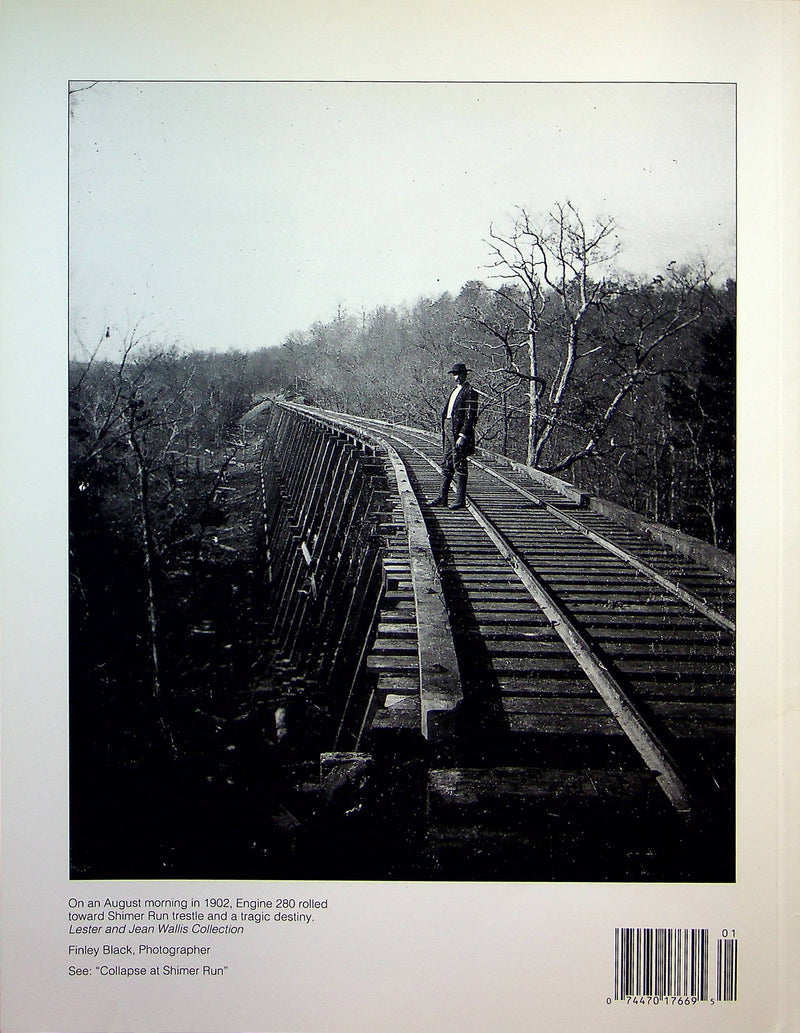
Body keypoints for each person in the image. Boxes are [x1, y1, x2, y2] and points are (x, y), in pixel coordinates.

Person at [428, 363, 479, 509]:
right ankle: (442, 497)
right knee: (446, 463)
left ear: (465, 374)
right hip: (448, 428)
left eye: (458, 374)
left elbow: (470, 417)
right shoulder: (454, 391)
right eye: (454, 375)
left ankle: (460, 500)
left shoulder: (470, 392)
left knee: (459, 464)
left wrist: (463, 435)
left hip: (458, 432)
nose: (456, 377)